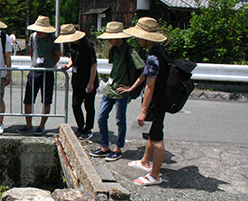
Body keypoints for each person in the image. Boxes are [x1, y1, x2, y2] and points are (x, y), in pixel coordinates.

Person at [120, 17, 170, 186]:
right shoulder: (159, 52)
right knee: (151, 133)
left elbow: (150, 86)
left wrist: (143, 110)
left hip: (155, 102)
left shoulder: (153, 57)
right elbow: (145, 76)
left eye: (139, 36)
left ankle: (155, 175)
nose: (137, 39)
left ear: (146, 37)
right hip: (160, 100)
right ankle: (145, 162)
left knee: (156, 138)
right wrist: (132, 88)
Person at [89, 22, 145, 161]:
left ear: (119, 37)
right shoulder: (114, 50)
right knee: (101, 117)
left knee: (120, 120)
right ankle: (105, 147)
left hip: (121, 91)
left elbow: (144, 71)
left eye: (111, 37)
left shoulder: (131, 51)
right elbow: (115, 67)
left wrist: (131, 87)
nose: (109, 39)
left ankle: (118, 148)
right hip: (110, 88)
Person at [17, 16, 61, 136]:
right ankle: (28, 125)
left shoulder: (54, 39)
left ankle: (42, 125)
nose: (38, 32)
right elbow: (31, 52)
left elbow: (57, 56)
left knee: (46, 100)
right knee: (28, 99)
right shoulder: (33, 37)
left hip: (47, 71)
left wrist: (50, 65)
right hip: (34, 70)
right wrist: (35, 63)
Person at [59, 24, 98, 140]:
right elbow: (73, 58)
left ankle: (89, 128)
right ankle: (80, 126)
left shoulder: (87, 44)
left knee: (89, 106)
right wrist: (68, 66)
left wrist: (91, 83)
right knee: (75, 105)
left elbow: (94, 64)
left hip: (88, 79)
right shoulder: (71, 46)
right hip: (77, 78)